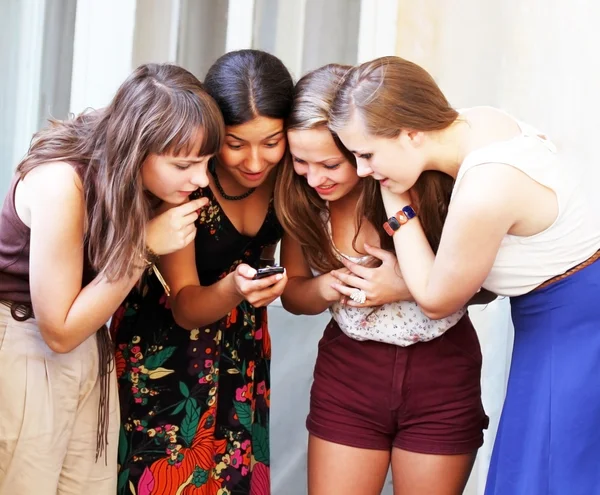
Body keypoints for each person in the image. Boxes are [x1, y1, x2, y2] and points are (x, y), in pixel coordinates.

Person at [329, 55, 600, 495]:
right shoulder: (479, 122)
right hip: (562, 313)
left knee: (549, 474)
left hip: (570, 326)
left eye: (367, 154)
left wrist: (398, 207)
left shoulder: (485, 186)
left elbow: (438, 299)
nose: (362, 170)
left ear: (412, 133)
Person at [0, 63, 224, 495]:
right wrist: (142, 246)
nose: (201, 179)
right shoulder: (61, 182)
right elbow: (59, 332)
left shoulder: (141, 181)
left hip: (89, 342)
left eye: (207, 162)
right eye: (185, 164)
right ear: (136, 149)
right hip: (22, 341)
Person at [276, 64, 489, 495]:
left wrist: (405, 286)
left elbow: (487, 284)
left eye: (331, 163)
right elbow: (295, 294)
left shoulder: (422, 189)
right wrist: (324, 288)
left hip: (441, 371)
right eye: (301, 162)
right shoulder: (305, 204)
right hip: (350, 375)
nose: (315, 177)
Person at [112, 49, 294, 494]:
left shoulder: (289, 174)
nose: (254, 162)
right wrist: (235, 286)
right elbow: (186, 306)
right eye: (235, 144)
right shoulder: (188, 180)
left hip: (242, 352)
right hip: (167, 352)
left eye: (271, 142)